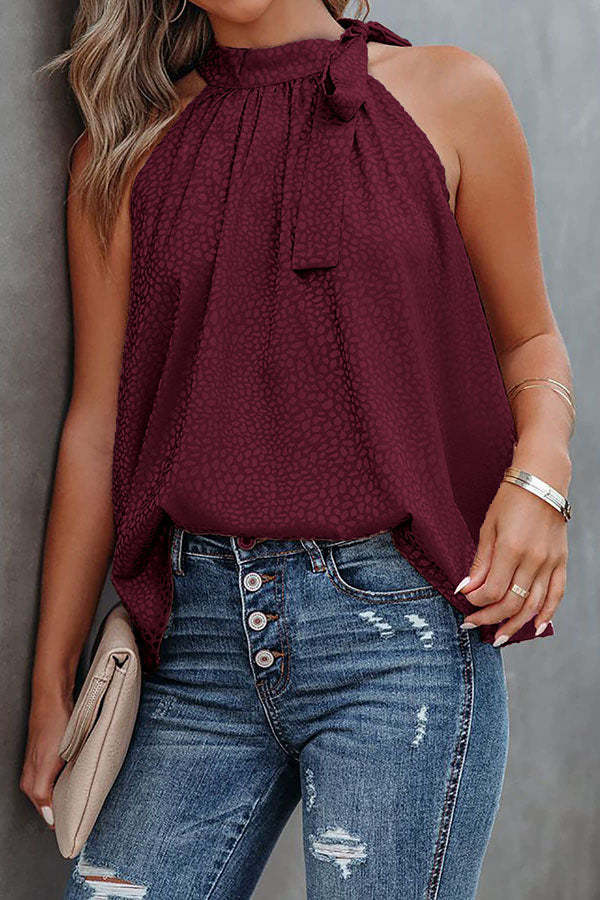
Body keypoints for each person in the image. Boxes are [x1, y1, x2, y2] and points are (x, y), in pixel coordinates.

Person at [20, 0, 574, 897]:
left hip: (400, 639)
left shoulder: (450, 95)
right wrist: (52, 688)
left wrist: (542, 475)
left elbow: (531, 341)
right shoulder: (122, 156)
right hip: (195, 649)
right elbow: (96, 428)